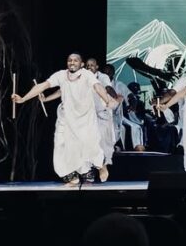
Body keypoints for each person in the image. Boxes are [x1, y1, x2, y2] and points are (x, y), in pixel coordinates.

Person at [12, 53, 120, 183]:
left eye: (75, 60)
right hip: (66, 117)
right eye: (70, 60)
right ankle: (68, 173)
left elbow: (98, 87)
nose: (72, 62)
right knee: (60, 145)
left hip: (84, 118)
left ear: (81, 64)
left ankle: (101, 165)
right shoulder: (61, 75)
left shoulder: (87, 75)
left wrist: (107, 100)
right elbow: (44, 86)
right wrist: (24, 98)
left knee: (89, 146)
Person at [85, 58, 120, 170]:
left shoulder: (103, 77)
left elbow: (108, 88)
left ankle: (103, 165)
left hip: (103, 113)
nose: (89, 67)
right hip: (89, 113)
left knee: (103, 139)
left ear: (97, 67)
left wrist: (114, 98)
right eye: (87, 65)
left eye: (92, 65)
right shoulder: (83, 77)